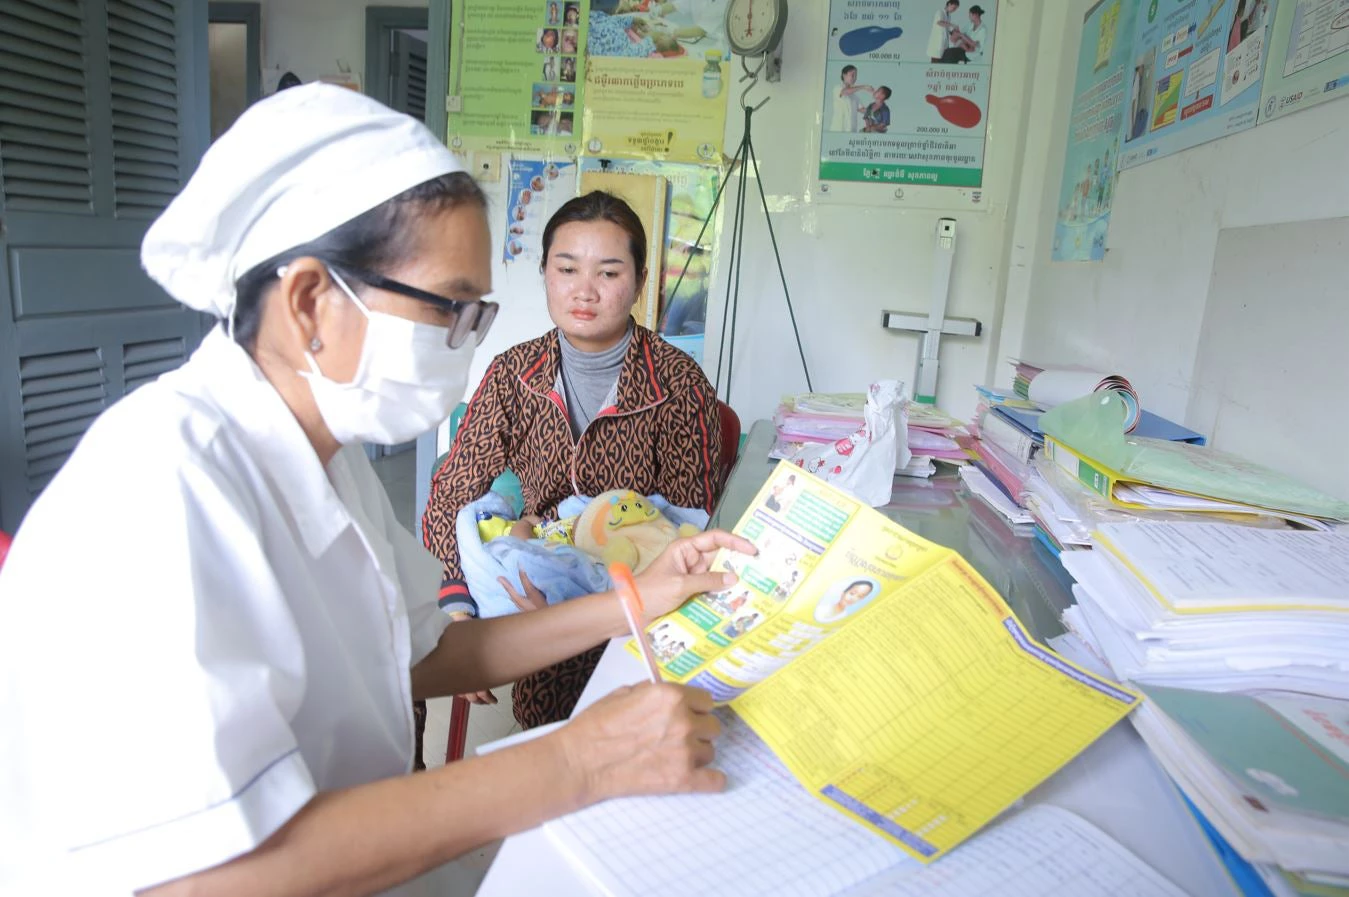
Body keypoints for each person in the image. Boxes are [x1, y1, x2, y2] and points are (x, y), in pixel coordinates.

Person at [0, 86, 753, 897]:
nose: (464, 345)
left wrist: (639, 598)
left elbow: (434, 652)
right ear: (311, 301)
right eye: (448, 311)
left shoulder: (327, 454)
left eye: (475, 313)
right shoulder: (156, 487)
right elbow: (201, 877)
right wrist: (576, 760)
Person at [423, 191, 724, 730]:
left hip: (641, 612)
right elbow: (453, 492)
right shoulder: (513, 373)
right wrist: (457, 614)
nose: (585, 290)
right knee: (548, 716)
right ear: (545, 272)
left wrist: (601, 603)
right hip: (539, 594)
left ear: (639, 279)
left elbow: (688, 528)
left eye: (608, 273)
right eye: (567, 268)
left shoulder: (678, 383)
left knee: (643, 727)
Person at [829, 65, 873, 132]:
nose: (854, 78)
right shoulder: (837, 88)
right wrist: (864, 87)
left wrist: (876, 111)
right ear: (844, 75)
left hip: (851, 132)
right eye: (852, 75)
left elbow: (862, 110)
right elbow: (845, 92)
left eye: (856, 76)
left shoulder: (855, 97)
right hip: (838, 130)